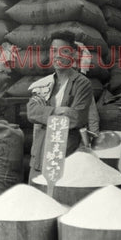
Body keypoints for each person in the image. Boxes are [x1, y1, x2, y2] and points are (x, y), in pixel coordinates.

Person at [27, 31, 93, 183]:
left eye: (63, 51)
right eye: (53, 51)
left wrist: (44, 113)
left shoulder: (81, 83)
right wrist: (58, 110)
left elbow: (76, 118)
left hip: (66, 155)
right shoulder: (45, 83)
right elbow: (31, 112)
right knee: (37, 200)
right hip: (40, 154)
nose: (57, 55)